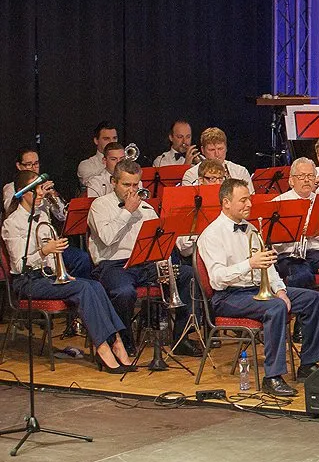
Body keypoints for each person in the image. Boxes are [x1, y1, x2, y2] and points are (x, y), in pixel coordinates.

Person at [196, 179, 319, 396]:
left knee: (312, 299)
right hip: (229, 296)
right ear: (226, 202)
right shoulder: (212, 235)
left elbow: (270, 268)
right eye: (243, 200)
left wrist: (280, 290)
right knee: (275, 308)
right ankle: (273, 377)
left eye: (249, 198)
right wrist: (249, 264)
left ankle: (309, 363)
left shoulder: (251, 228)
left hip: (258, 290)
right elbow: (217, 279)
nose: (249, 204)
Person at [3, 171, 134, 372]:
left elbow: (51, 258)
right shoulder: (12, 223)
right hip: (27, 281)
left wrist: (60, 269)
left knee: (95, 285)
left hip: (47, 276)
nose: (40, 194)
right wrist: (44, 250)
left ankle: (116, 341)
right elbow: (20, 266)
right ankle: (103, 348)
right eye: (36, 190)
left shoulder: (43, 215)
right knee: (83, 288)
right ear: (23, 193)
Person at [87, 159, 201, 356]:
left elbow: (159, 242)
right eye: (126, 184)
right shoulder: (100, 205)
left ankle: (181, 338)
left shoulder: (146, 209)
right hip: (114, 266)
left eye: (135, 185)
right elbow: (106, 238)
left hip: (146, 264)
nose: (131, 190)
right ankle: (123, 341)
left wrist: (164, 263)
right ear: (114, 182)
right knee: (124, 292)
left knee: (188, 275)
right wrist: (127, 211)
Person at [5, 147, 92, 278]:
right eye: (29, 164)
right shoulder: (11, 188)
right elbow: (11, 211)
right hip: (31, 248)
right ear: (19, 166)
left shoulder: (43, 187)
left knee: (83, 259)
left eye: (36, 164)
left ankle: (67, 282)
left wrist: (52, 195)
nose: (33, 168)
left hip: (49, 243)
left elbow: (62, 216)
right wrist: (31, 195)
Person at [270, 158, 319, 289]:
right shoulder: (278, 203)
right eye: (301, 176)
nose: (306, 180)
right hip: (289, 254)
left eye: (310, 176)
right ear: (291, 180)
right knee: (302, 275)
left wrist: (315, 231)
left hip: (317, 252)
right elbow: (272, 243)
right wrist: (292, 231)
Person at [181, 128, 253, 188]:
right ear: (202, 150)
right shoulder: (190, 175)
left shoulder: (240, 172)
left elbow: (250, 200)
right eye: (212, 150)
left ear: (226, 148)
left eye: (220, 149)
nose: (217, 154)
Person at [77, 121, 119, 188]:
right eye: (106, 139)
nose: (112, 142)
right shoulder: (86, 165)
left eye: (114, 138)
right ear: (96, 141)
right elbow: (92, 185)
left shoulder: (125, 162)